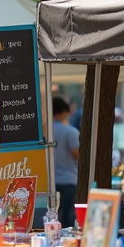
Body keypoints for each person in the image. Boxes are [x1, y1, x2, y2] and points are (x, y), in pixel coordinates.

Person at [52, 96, 81, 228]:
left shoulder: (45, 132)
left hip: (51, 182)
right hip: (69, 180)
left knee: (52, 218)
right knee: (68, 219)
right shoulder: (70, 132)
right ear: (64, 111)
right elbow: (77, 155)